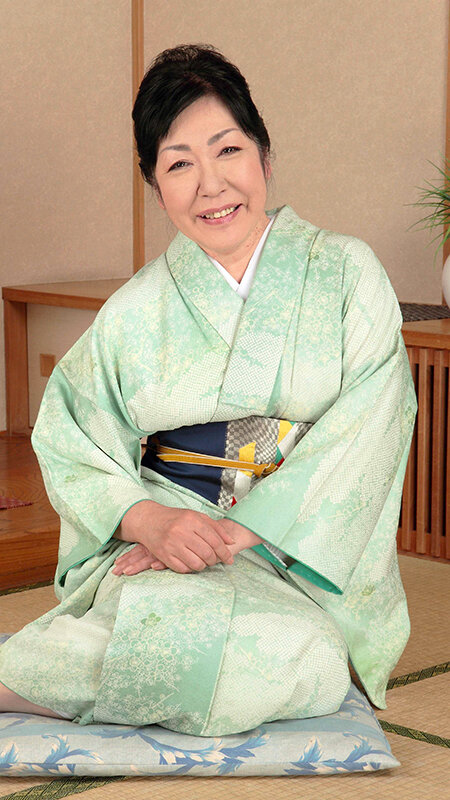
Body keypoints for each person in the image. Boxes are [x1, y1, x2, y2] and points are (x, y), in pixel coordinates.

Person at [0, 44, 417, 736]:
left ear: (264, 156)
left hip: (295, 551)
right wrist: (146, 522)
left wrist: (240, 531)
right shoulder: (135, 310)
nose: (211, 185)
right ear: (154, 183)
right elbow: (71, 433)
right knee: (168, 616)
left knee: (307, 656)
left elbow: (375, 420)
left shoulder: (347, 273)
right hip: (172, 537)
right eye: (179, 165)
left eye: (227, 150)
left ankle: (34, 675)